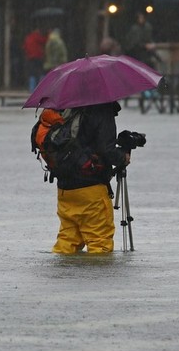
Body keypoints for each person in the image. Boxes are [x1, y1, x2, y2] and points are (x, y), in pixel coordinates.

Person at [51, 101, 130, 255]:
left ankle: (63, 277)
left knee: (67, 241)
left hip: (65, 188)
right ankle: (98, 280)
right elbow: (106, 150)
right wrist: (123, 157)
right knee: (100, 244)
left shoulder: (66, 106)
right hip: (91, 188)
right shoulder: (102, 108)